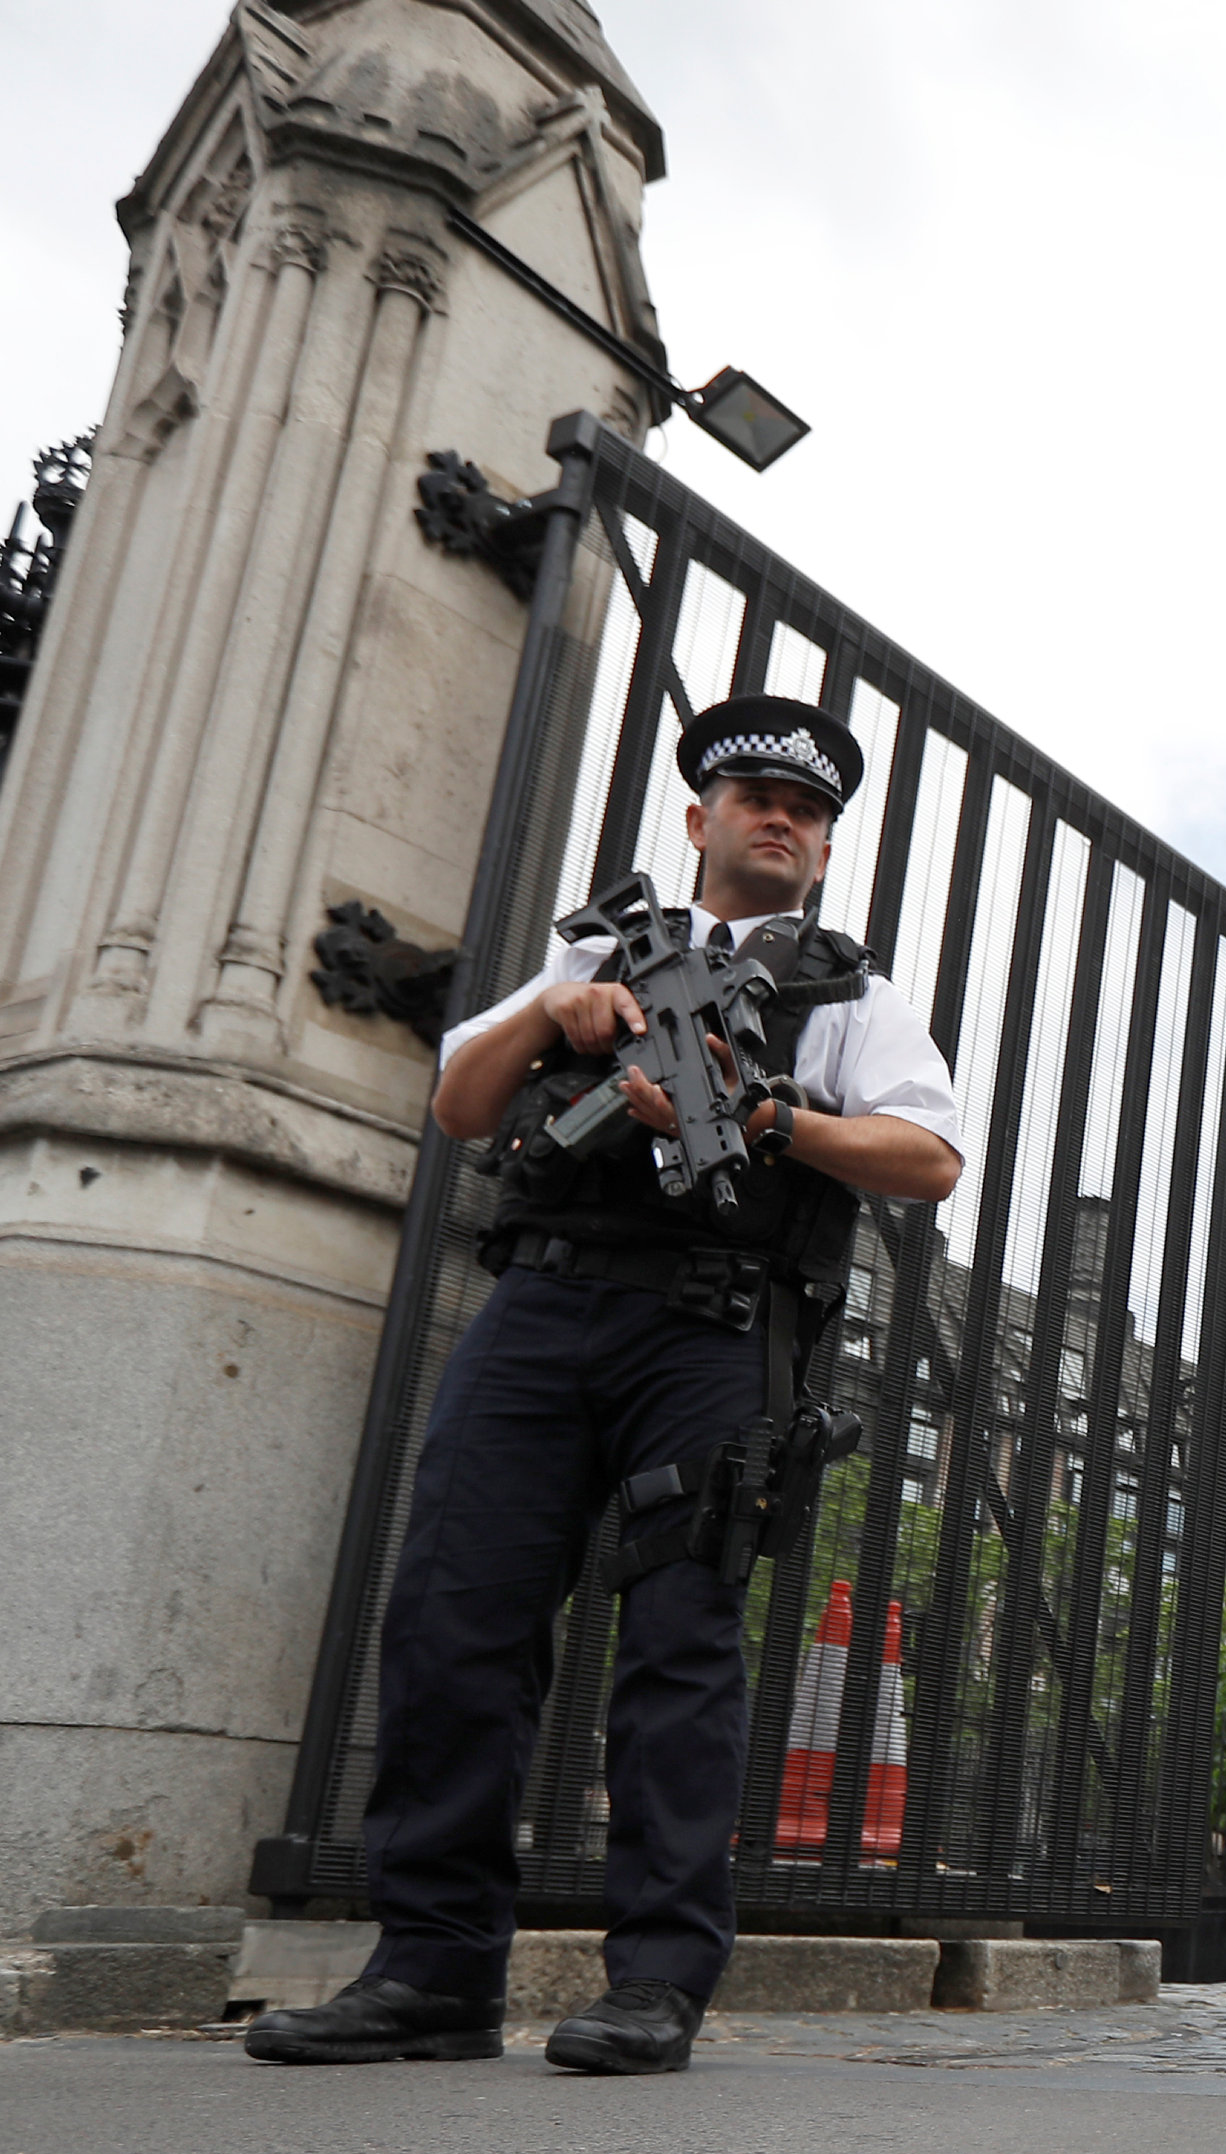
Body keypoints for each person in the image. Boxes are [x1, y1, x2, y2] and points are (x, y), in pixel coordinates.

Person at [245, 696, 964, 2076]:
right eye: (756, 798)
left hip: (712, 1328)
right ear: (699, 821)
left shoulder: (850, 993)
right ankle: (434, 1968)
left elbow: (926, 1157)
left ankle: (658, 1978)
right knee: (457, 1611)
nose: (782, 821)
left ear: (823, 847)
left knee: (679, 1642)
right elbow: (462, 1100)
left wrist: (764, 1116)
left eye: (807, 812)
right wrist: (559, 1014)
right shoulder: (599, 941)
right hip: (544, 1304)